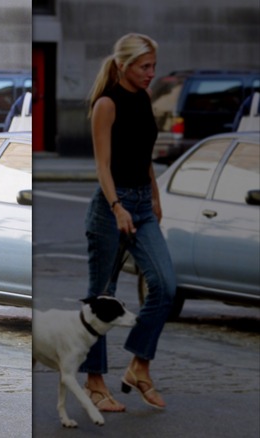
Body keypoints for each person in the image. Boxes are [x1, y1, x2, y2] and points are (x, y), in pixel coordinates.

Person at [80, 33, 176, 412]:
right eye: (144, 66)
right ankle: (94, 381)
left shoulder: (143, 98)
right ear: (124, 65)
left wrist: (154, 195)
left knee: (165, 285)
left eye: (153, 65)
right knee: (102, 296)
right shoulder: (107, 104)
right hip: (109, 208)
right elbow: (102, 164)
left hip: (141, 203)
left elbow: (144, 154)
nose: (151, 73)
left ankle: (139, 365)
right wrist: (117, 206)